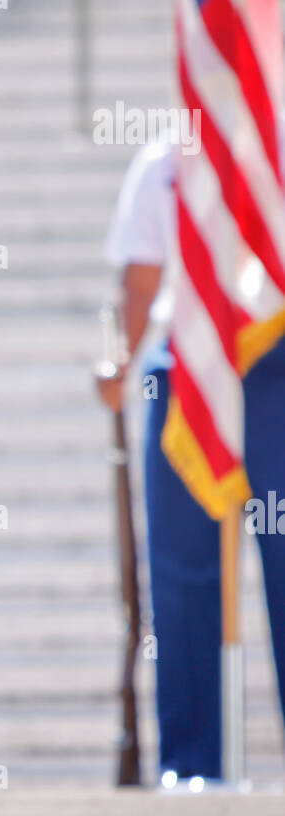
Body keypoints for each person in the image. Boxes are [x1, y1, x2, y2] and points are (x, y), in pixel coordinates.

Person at [98, 138, 285, 781]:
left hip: (276, 362)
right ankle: (194, 764)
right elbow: (143, 274)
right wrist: (121, 358)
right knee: (182, 575)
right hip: (184, 373)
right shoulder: (163, 162)